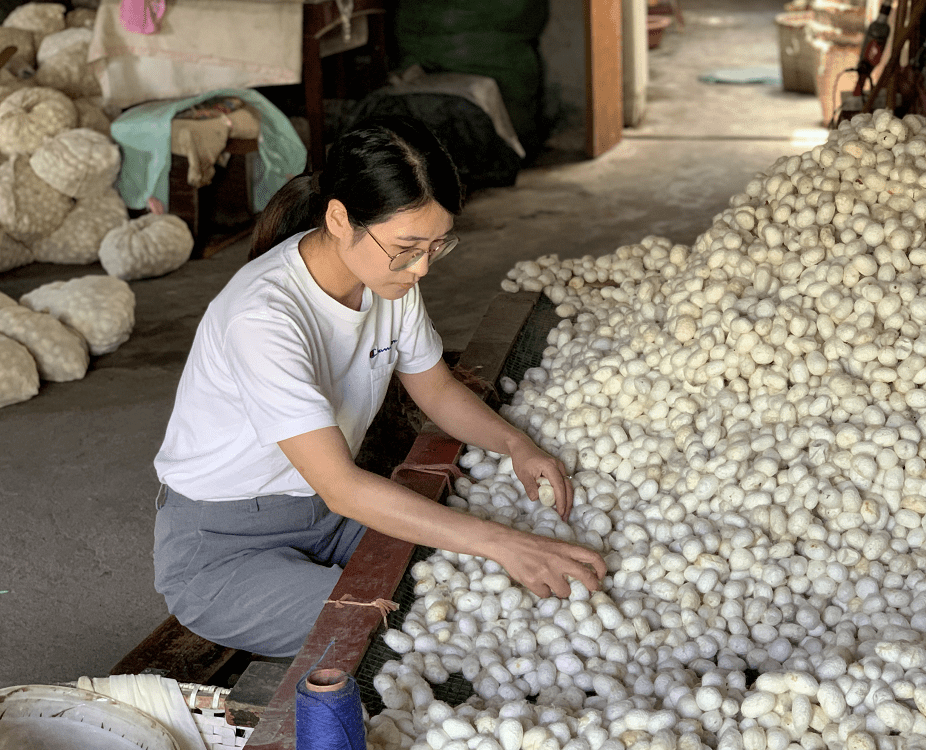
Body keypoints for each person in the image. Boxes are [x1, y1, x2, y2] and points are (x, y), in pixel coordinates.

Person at [153, 116, 606, 658]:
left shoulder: (386, 280)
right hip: (225, 547)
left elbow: (435, 388)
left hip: (328, 518)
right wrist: (507, 544)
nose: (421, 269)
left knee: (460, 590)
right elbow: (343, 485)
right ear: (340, 218)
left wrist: (516, 445)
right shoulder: (265, 317)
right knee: (397, 629)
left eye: (437, 247)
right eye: (407, 247)